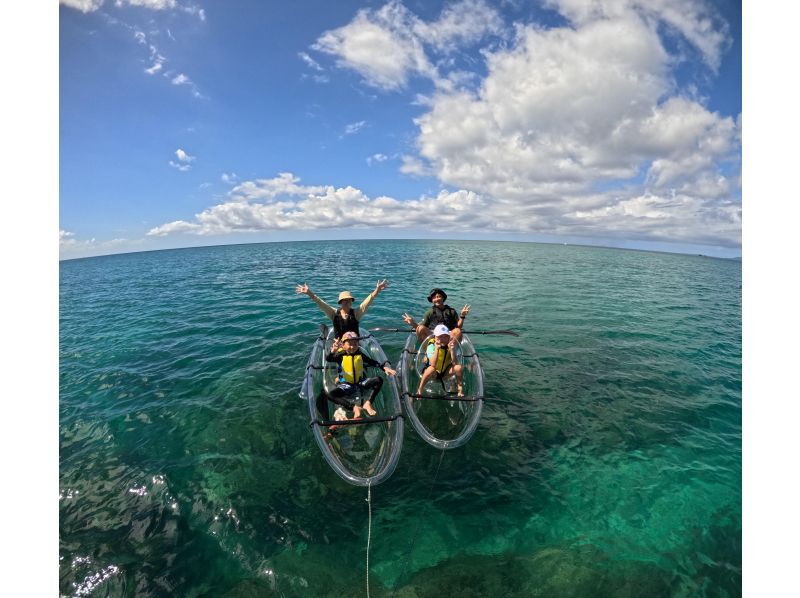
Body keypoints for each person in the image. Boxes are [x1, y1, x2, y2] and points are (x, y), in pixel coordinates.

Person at [317, 331, 397, 428]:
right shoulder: (340, 355)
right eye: (350, 344)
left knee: (378, 380)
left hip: (360, 382)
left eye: (355, 344)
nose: (352, 346)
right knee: (330, 394)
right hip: (347, 385)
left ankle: (368, 403)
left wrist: (384, 368)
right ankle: (354, 407)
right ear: (343, 345)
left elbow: (372, 362)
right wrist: (333, 351)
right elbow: (329, 359)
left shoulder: (360, 354)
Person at [296, 279, 389, 340]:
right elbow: (321, 304)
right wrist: (309, 293)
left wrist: (377, 290)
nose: (348, 302)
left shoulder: (356, 313)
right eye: (345, 300)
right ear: (340, 302)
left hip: (354, 345)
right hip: (339, 346)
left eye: (350, 300)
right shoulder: (334, 313)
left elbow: (367, 302)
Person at [402, 287, 470, 343]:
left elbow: (458, 327)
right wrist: (412, 323)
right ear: (432, 300)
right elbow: (420, 329)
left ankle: (451, 353)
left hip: (448, 337)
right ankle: (427, 352)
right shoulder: (429, 312)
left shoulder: (451, 311)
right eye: (434, 298)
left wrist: (462, 316)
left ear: (443, 298)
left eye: (438, 297)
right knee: (420, 328)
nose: (436, 299)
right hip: (433, 337)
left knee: (458, 331)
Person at [416, 324, 464, 397]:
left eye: (445, 336)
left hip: (445, 372)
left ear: (449, 337)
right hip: (433, 373)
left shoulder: (450, 344)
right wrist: (437, 349)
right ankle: (420, 389)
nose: (443, 339)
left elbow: (455, 363)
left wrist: (452, 351)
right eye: (440, 337)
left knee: (458, 367)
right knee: (431, 369)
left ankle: (460, 389)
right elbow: (433, 364)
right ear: (435, 337)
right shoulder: (431, 345)